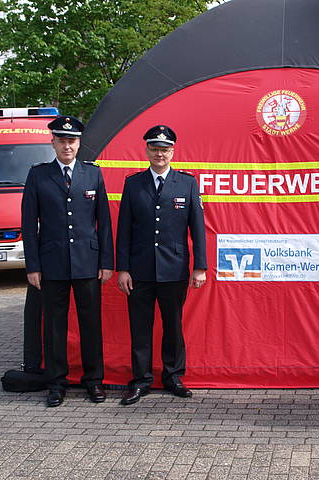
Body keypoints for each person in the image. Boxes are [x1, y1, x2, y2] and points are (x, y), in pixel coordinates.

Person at [22, 115, 114, 407]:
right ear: (53, 143)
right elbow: (29, 225)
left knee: (91, 324)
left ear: (78, 143)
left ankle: (94, 381)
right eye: (61, 141)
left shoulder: (92, 174)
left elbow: (104, 222)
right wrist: (33, 266)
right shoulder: (38, 175)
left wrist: (107, 262)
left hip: (88, 262)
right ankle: (56, 383)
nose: (67, 146)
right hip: (52, 263)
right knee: (54, 327)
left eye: (72, 141)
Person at [116, 124, 207, 405]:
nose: (160, 154)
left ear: (173, 152)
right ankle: (141, 380)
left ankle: (173, 377)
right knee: (140, 328)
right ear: (146, 151)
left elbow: (197, 228)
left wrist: (200, 266)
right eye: (155, 149)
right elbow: (124, 230)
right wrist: (123, 268)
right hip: (140, 270)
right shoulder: (133, 184)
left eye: (165, 150)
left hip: (174, 268)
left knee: (173, 326)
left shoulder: (187, 183)